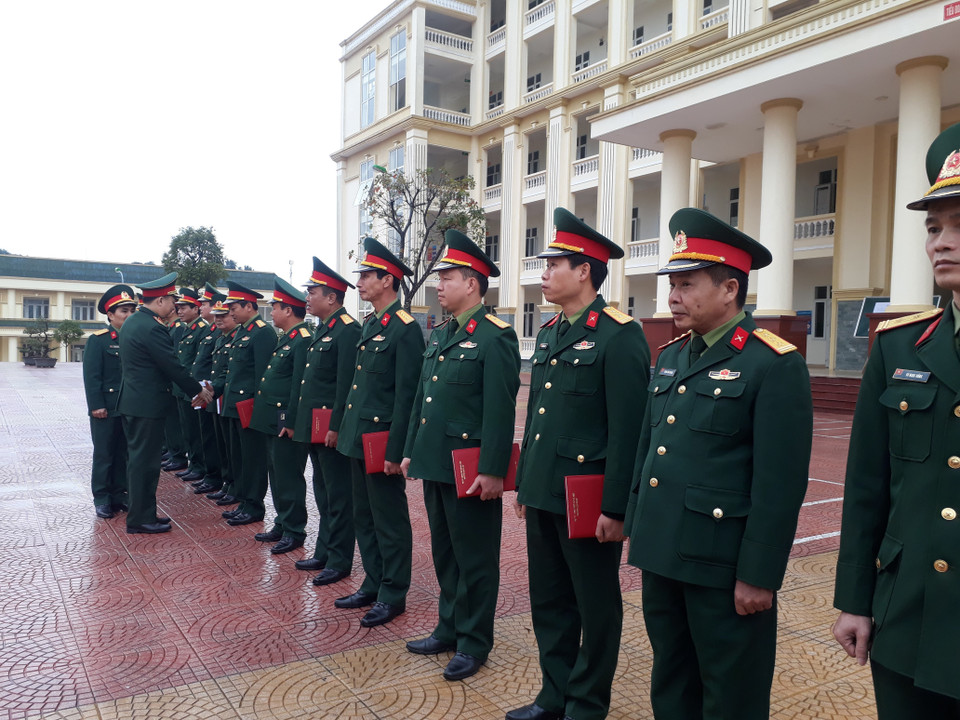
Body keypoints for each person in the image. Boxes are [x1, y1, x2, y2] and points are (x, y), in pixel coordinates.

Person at [624, 208, 812, 720]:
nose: (673, 296)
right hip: (663, 555)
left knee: (732, 695)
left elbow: (780, 484)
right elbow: (649, 447)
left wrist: (759, 574)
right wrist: (635, 524)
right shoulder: (670, 355)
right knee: (672, 681)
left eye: (687, 284)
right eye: (673, 284)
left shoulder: (772, 363)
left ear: (729, 289)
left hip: (722, 568)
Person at [833, 122, 960, 718]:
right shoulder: (900, 348)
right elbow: (866, 489)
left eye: (959, 225)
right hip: (908, 611)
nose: (942, 241)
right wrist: (855, 601)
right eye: (934, 227)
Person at [508, 208, 650, 720]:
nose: (543, 273)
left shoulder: (619, 335)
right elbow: (541, 420)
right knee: (548, 600)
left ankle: (587, 702)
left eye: (553, 264)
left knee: (595, 605)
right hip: (546, 492)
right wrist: (525, 484)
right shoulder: (548, 333)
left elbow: (628, 430)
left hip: (588, 502)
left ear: (584, 269)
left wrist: (616, 507)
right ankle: (554, 694)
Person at [401, 230, 521, 681]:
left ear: (472, 282)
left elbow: (499, 410)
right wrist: (412, 449)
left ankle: (474, 641)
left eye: (447, 277)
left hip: (470, 468)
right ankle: (449, 627)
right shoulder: (441, 334)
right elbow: (422, 399)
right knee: (446, 553)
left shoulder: (495, 338)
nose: (439, 285)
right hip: (437, 462)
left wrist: (492, 470)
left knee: (474, 557)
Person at [335, 237, 425, 628]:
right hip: (359, 439)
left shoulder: (404, 330)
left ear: (388, 280)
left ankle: (393, 591)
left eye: (367, 276)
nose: (360, 282)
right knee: (364, 515)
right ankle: (372, 581)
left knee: (388, 518)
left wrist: (396, 447)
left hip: (381, 441)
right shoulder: (372, 324)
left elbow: (407, 396)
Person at [117, 272, 212, 534]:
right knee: (144, 464)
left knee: (141, 462)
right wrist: (198, 391)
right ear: (159, 300)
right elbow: (173, 366)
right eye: (171, 300)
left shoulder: (134, 322)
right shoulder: (151, 327)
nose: (174, 306)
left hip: (136, 402)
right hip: (146, 405)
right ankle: (139, 519)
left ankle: (144, 513)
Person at [290, 257, 359, 583]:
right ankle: (324, 551)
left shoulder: (347, 331)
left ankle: (339, 559)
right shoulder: (323, 330)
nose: (307, 297)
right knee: (322, 492)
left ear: (332, 297)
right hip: (315, 428)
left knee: (339, 496)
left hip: (330, 429)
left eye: (312, 291)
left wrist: (335, 427)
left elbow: (345, 385)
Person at [249, 278, 313, 554]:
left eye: (275, 307)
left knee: (289, 476)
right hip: (273, 420)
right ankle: (282, 522)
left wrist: (289, 421)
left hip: (285, 420)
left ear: (288, 310)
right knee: (277, 475)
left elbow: (300, 385)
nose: (271, 312)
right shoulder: (288, 338)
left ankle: (295, 529)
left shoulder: (302, 340)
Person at [214, 280, 277, 527]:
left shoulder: (262, 332)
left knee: (253, 459)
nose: (230, 312)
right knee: (238, 457)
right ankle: (243, 501)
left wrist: (259, 410)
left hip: (249, 407)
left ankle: (254, 505)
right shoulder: (240, 331)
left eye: (234, 308)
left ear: (249, 306)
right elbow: (231, 371)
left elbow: (263, 376)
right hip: (232, 405)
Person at [83, 284, 137, 519]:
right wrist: (96, 405)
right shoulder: (99, 340)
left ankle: (120, 495)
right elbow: (92, 376)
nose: (129, 315)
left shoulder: (134, 339)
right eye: (124, 311)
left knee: (124, 453)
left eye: (131, 310)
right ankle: (102, 498)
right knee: (105, 453)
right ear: (110, 314)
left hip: (128, 407)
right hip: (105, 408)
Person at [190, 284, 226, 495]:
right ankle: (210, 474)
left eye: (205, 304)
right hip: (206, 390)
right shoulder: (211, 331)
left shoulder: (216, 332)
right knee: (206, 435)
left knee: (214, 438)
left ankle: (215, 476)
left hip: (214, 392)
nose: (202, 307)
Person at [172, 288, 210, 483]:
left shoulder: (202, 328)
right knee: (187, 429)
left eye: (184, 307)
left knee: (196, 431)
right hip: (182, 387)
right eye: (177, 308)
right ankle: (193, 464)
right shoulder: (187, 328)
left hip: (194, 387)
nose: (179, 311)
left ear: (195, 309)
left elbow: (199, 362)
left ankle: (199, 466)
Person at [206, 301, 241, 507]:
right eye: (216, 316)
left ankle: (235, 487)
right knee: (224, 445)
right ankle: (228, 483)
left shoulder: (237, 337)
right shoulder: (221, 339)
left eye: (224, 315)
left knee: (234, 448)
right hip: (220, 397)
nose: (219, 319)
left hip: (231, 399)